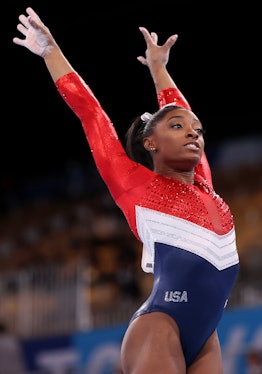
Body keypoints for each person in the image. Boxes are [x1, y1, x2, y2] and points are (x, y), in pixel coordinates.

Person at [13, 7, 240, 374]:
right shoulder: (134, 184)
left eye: (197, 129)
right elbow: (92, 115)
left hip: (206, 336)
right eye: (180, 127)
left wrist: (158, 68)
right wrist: (51, 52)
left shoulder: (204, 183)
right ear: (150, 143)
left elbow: (179, 108)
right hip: (159, 325)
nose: (194, 133)